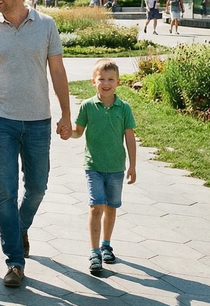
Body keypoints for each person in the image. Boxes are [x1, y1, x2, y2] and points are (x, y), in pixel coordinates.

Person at [0, 0, 72, 288]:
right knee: (5, 192)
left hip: (38, 120)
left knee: (38, 187)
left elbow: (57, 71)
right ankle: (15, 262)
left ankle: (19, 227)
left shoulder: (46, 25)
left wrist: (66, 114)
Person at [70, 59, 137, 273]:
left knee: (111, 207)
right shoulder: (88, 106)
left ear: (118, 82)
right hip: (94, 166)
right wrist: (67, 132)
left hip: (116, 167)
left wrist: (132, 166)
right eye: (101, 79)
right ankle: (94, 252)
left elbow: (130, 138)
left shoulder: (124, 108)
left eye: (110, 79)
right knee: (95, 206)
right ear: (93, 81)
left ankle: (106, 245)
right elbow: (78, 131)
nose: (105, 83)